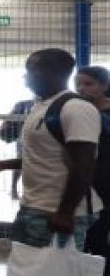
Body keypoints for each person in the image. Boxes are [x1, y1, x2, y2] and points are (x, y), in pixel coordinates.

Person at [0, 50, 101, 250]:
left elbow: (84, 164)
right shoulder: (40, 106)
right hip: (33, 207)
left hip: (55, 212)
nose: (26, 76)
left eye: (32, 70)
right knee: (26, 263)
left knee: (53, 265)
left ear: (54, 72)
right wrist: (2, 165)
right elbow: (44, 155)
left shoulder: (76, 108)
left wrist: (65, 212)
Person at [74, 65, 110, 269]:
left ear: (104, 86)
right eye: (78, 83)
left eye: (89, 84)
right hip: (86, 178)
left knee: (100, 233)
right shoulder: (76, 110)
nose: (81, 88)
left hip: (106, 179)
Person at [0, 99, 34, 199]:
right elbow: (8, 123)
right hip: (24, 138)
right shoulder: (23, 105)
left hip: (27, 138)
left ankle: (16, 189)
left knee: (22, 161)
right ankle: (14, 188)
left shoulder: (23, 105)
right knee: (21, 161)